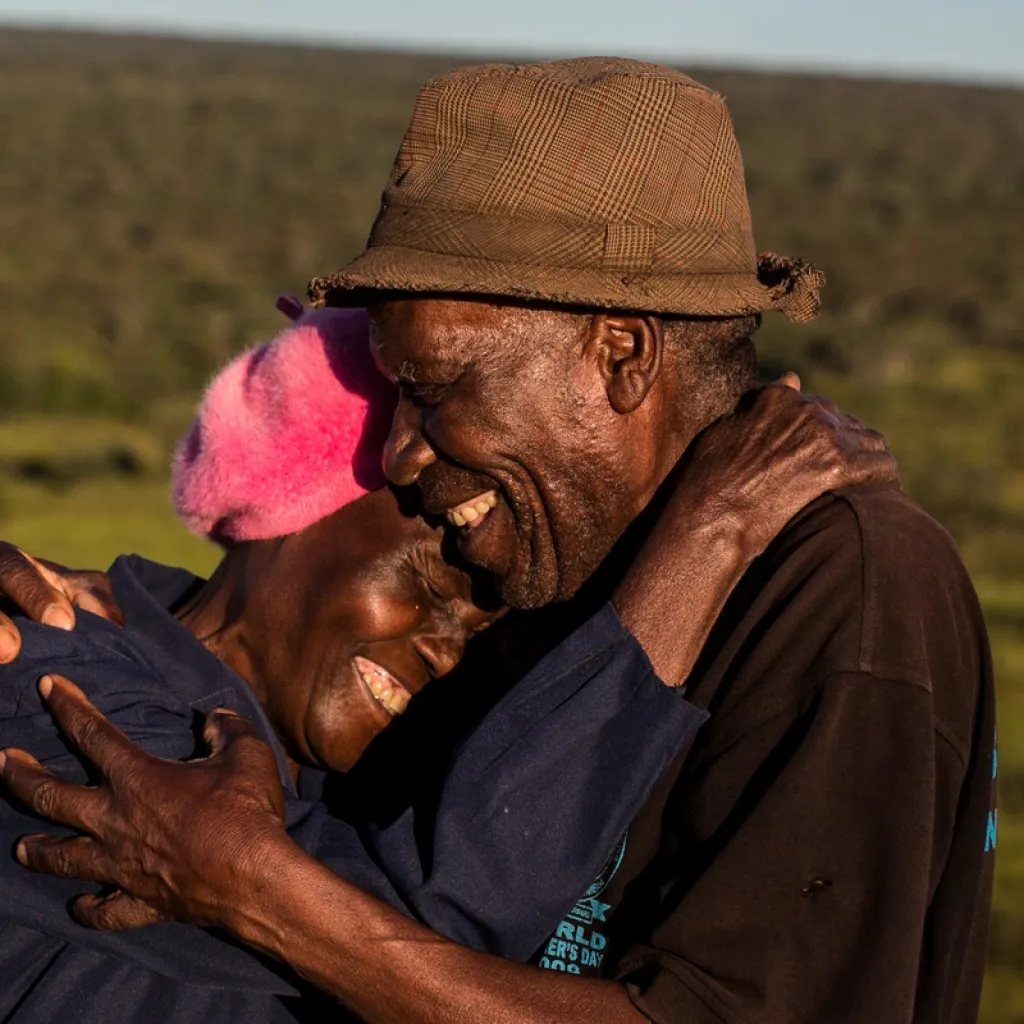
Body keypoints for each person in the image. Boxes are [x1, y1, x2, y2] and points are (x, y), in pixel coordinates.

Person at [0, 57, 995, 1024]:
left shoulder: (841, 585)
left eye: (433, 388)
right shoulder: (547, 574)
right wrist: (124, 620)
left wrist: (256, 888)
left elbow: (429, 903)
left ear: (620, 352)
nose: (401, 454)